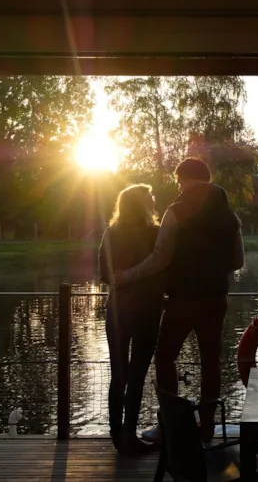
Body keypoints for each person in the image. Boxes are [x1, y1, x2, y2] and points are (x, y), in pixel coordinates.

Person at [113, 157, 244, 443]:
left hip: (182, 299)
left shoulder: (176, 211)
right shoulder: (230, 216)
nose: (179, 188)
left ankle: (172, 426)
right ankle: (206, 428)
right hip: (216, 300)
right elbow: (238, 261)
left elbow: (160, 258)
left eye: (178, 182)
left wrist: (128, 275)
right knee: (211, 363)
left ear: (183, 179)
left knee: (165, 357)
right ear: (208, 179)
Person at [99, 183, 165, 455]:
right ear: (141, 203)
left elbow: (104, 274)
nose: (154, 199)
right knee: (137, 375)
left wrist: (122, 278)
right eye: (150, 196)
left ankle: (116, 434)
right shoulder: (155, 233)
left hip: (117, 310)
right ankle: (130, 434)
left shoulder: (111, 232)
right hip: (147, 310)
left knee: (118, 374)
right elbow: (163, 268)